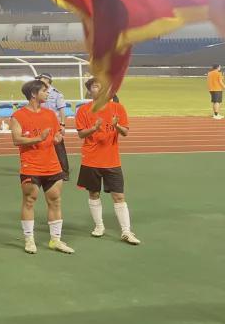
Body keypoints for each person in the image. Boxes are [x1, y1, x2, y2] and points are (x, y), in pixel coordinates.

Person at [11, 79, 73, 254]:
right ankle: (29, 240)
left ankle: (56, 240)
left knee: (55, 201)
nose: (48, 93)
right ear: (33, 94)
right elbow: (16, 140)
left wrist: (57, 138)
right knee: (29, 201)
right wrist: (39, 138)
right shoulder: (18, 116)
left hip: (52, 165)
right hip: (31, 166)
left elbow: (54, 137)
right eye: (44, 91)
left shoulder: (50, 114)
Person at [75, 79, 139, 244]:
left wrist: (116, 126)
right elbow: (81, 134)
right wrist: (94, 128)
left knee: (119, 196)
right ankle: (99, 226)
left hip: (112, 161)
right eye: (95, 86)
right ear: (90, 91)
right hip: (91, 160)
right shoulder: (83, 110)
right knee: (93, 193)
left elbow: (125, 132)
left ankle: (126, 231)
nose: (99, 89)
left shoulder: (118, 108)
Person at [37, 73, 70, 179]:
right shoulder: (38, 93)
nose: (39, 81)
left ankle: (64, 172)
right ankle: (44, 170)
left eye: (41, 79)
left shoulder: (56, 94)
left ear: (47, 80)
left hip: (54, 125)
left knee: (59, 148)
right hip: (41, 124)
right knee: (42, 147)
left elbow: (61, 110)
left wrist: (62, 124)